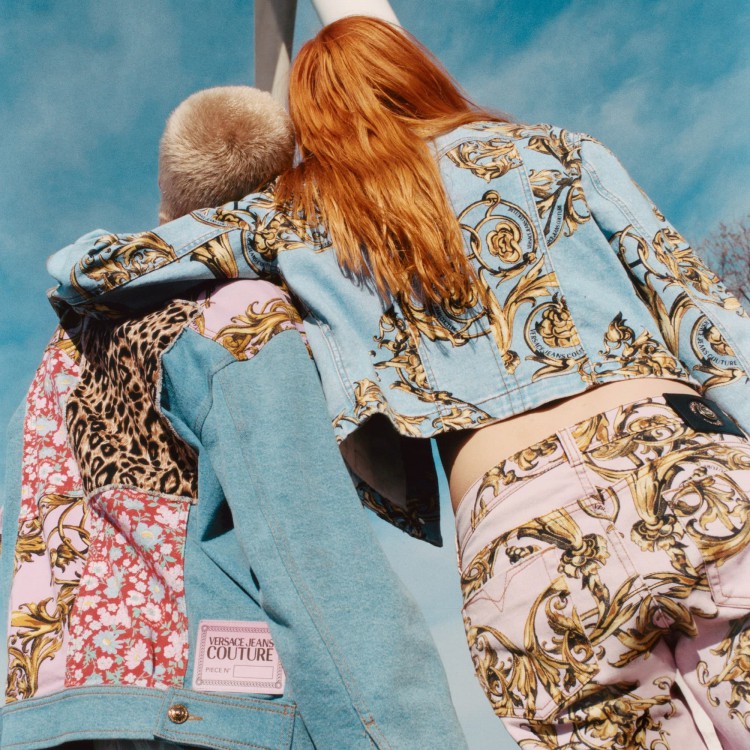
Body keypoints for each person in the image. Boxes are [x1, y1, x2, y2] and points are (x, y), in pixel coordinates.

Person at [45, 16, 750, 749]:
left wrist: (193, 206)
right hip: (684, 467)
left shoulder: (297, 217)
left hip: (520, 538)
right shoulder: (557, 150)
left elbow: (92, 267)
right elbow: (709, 321)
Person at [0, 84, 469, 750]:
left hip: (47, 720)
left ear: (163, 189)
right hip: (206, 717)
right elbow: (313, 555)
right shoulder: (238, 318)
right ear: (280, 188)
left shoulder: (64, 350)